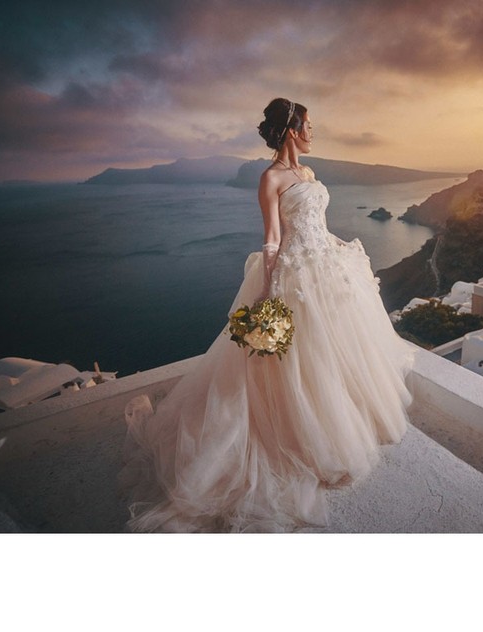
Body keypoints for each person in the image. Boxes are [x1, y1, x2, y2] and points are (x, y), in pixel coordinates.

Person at [118, 98, 414, 532]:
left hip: (325, 268)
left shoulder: (308, 174)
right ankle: (299, 436)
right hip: (294, 274)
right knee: (290, 361)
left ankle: (337, 421)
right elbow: (273, 239)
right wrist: (270, 290)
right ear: (292, 130)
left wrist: (337, 247)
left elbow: (317, 225)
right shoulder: (270, 178)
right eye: (309, 126)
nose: (314, 133)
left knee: (328, 352)